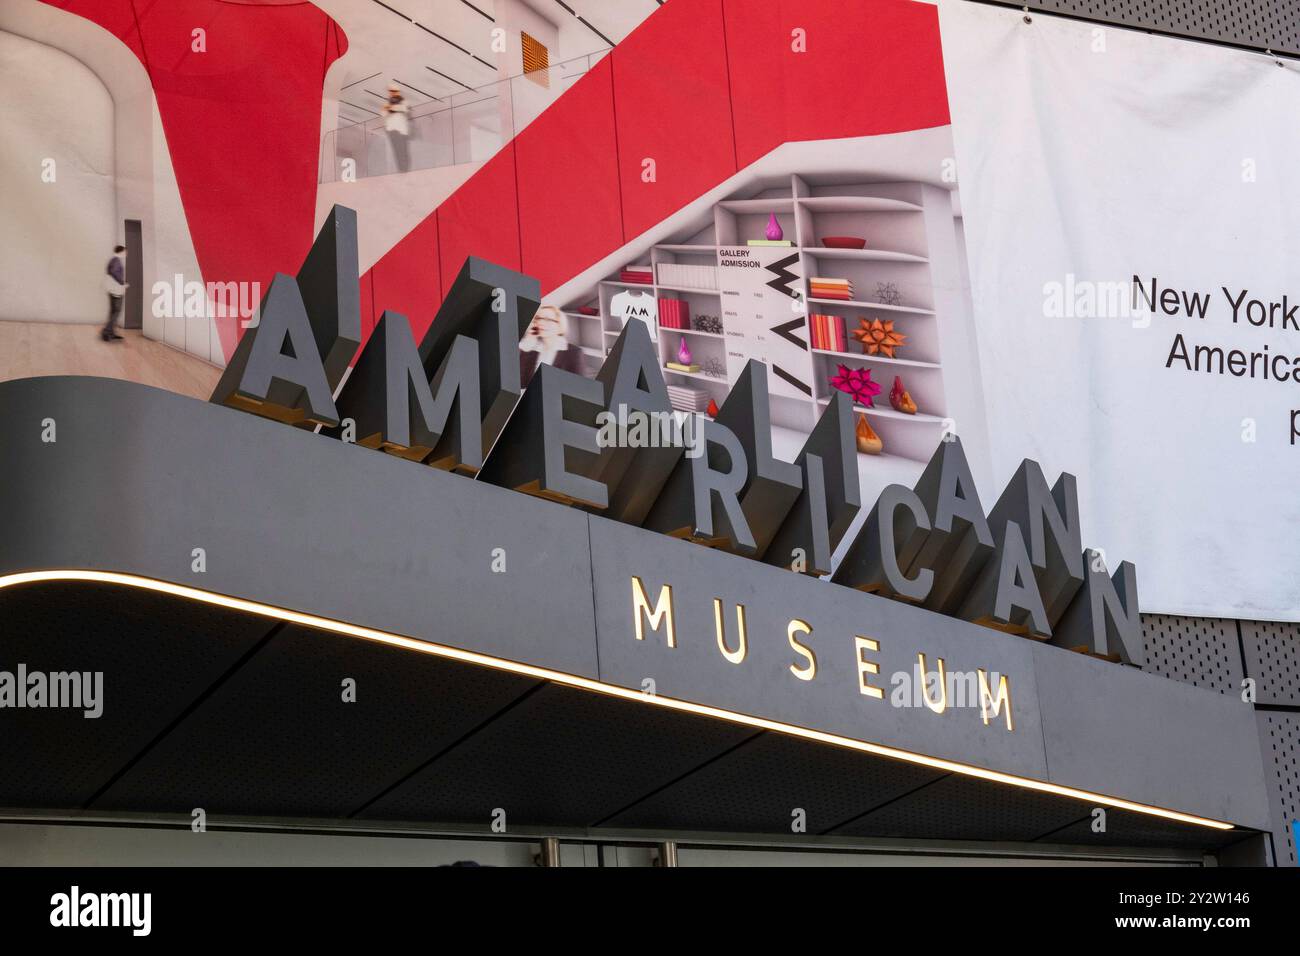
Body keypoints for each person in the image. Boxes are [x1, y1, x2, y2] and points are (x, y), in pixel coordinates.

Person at [518, 305, 584, 387]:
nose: (541, 323)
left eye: (548, 319)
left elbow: (577, 387)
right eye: (539, 318)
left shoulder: (574, 352)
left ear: (559, 325)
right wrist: (527, 344)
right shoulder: (532, 348)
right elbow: (521, 382)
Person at [381, 84, 411, 173]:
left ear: (398, 92)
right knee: (396, 150)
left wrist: (391, 108)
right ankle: (401, 169)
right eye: (390, 92)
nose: (392, 93)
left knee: (403, 150)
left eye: (394, 91)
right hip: (391, 129)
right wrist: (386, 109)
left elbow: (405, 109)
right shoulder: (387, 103)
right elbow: (383, 114)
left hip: (401, 130)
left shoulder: (404, 101)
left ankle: (405, 169)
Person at [101, 244, 127, 342]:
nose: (126, 253)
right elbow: (114, 272)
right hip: (116, 290)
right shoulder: (116, 261)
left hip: (112, 290)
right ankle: (107, 332)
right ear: (121, 251)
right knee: (117, 311)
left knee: (113, 311)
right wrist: (122, 282)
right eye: (125, 251)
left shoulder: (113, 260)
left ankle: (111, 333)